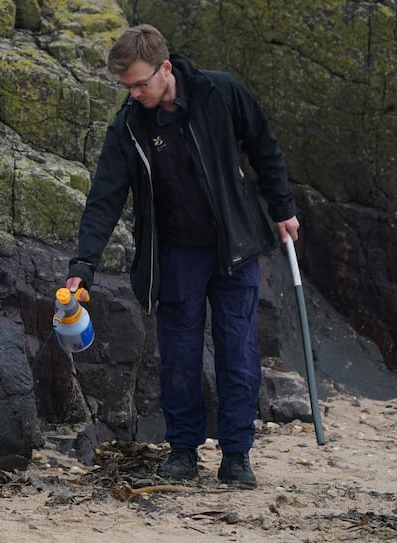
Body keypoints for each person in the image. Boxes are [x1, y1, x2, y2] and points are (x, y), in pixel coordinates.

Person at [65, 24, 300, 487]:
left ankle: (236, 455)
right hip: (174, 255)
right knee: (179, 356)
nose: (133, 94)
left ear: (165, 68)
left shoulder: (221, 91)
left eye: (139, 83)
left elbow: (264, 146)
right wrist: (83, 265)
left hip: (235, 245)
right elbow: (104, 198)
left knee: (238, 353)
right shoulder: (129, 126)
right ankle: (183, 451)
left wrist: (283, 208)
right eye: (125, 86)